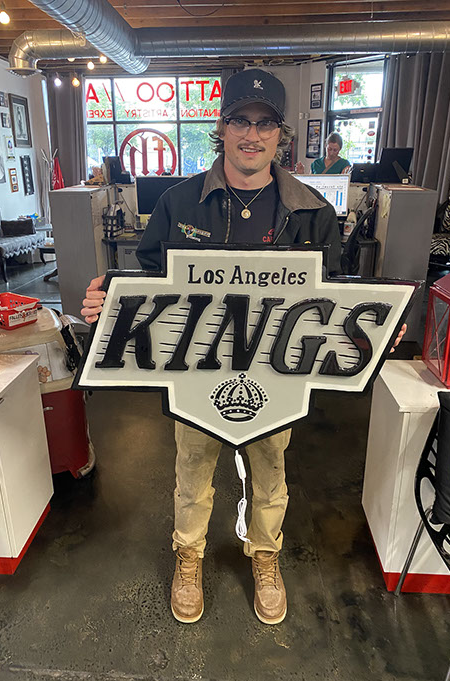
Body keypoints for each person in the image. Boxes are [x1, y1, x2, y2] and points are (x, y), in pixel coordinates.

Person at [82, 69, 406, 626]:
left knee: (271, 471)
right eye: (239, 121)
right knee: (192, 471)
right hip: (196, 375)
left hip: (276, 377)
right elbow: (148, 282)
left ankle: (265, 557)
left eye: (265, 123)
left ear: (280, 134)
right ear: (222, 127)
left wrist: (374, 327)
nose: (251, 135)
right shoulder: (180, 202)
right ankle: (188, 557)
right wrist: (107, 301)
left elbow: (335, 295)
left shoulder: (312, 210)